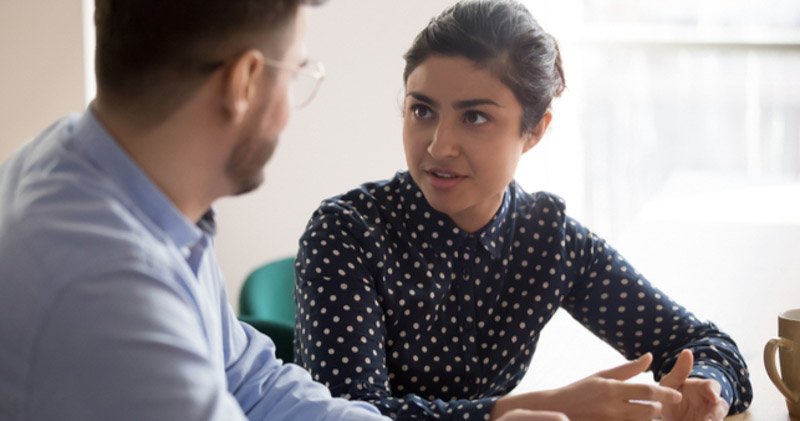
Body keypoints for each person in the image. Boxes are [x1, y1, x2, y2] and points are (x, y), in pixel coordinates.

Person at [293, 1, 753, 420]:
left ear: (534, 131)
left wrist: (707, 391)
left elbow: (708, 346)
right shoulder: (345, 232)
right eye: (422, 111)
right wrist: (532, 409)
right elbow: (347, 413)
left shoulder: (548, 241)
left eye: (474, 117)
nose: (438, 145)